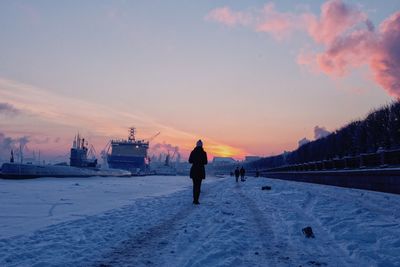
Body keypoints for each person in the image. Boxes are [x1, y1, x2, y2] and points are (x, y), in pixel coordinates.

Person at [188, 139, 208, 205]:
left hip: (194, 170)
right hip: (200, 171)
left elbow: (190, 161)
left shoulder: (193, 152)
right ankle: (197, 200)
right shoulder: (204, 153)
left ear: (196, 145)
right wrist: (201, 161)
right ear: (202, 145)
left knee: (194, 185)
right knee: (198, 186)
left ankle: (194, 199)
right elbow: (206, 162)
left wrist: (195, 161)